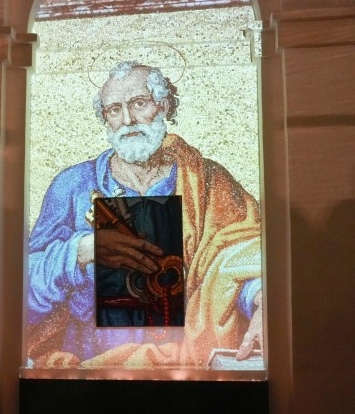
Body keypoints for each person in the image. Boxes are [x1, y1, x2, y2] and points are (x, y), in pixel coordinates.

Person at [27, 61, 263, 368]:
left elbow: (239, 259)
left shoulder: (206, 180)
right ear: (105, 119)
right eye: (114, 109)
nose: (127, 119)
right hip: (88, 365)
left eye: (139, 103)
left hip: (185, 363)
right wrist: (81, 251)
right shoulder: (72, 186)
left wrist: (262, 302)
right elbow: (21, 294)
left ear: (163, 106)